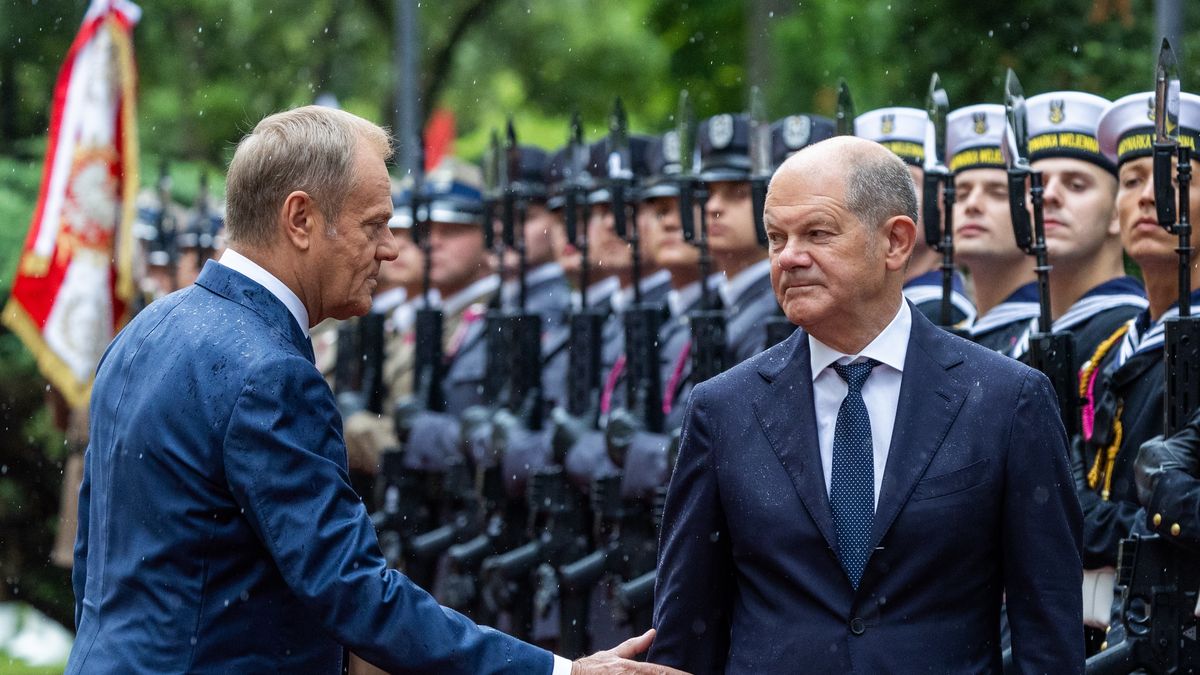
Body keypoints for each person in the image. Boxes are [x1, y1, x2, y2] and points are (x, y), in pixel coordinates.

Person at [67, 105, 684, 675]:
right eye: (375, 225)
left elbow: (98, 557)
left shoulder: (146, 331)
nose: (391, 249)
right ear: (301, 219)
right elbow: (350, 589)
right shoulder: (268, 372)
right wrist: (559, 672)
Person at [648, 135, 1083, 673]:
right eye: (776, 237)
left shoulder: (1005, 399)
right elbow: (687, 633)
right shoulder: (724, 410)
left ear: (896, 241)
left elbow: (1047, 633)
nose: (789, 257)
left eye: (817, 233)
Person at [1008, 92, 1146, 368]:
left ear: (1118, 211)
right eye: (1036, 185)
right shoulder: (1014, 341)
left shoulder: (1131, 341)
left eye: (1076, 185)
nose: (1048, 196)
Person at [855, 106, 975, 328]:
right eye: (870, 185)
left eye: (904, 184)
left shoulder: (942, 311)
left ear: (942, 201)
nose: (880, 198)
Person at [947, 104, 1040, 354]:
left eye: (997, 192)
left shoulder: (1043, 334)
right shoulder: (960, 330)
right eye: (961, 192)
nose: (972, 205)